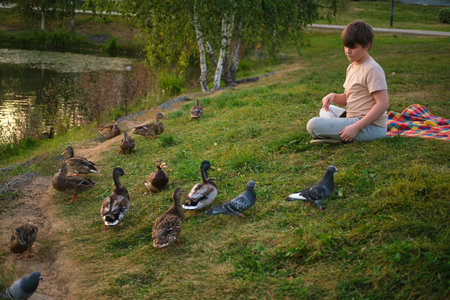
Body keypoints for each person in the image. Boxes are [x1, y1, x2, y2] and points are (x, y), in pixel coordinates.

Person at [306, 20, 389, 144]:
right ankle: (339, 133)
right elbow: (346, 99)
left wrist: (356, 127)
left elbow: (383, 104)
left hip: (371, 127)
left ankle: (340, 135)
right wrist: (333, 96)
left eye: (352, 47)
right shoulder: (351, 67)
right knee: (326, 110)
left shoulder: (372, 69)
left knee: (313, 124)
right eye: (346, 46)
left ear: (366, 46)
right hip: (352, 118)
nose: (347, 51)